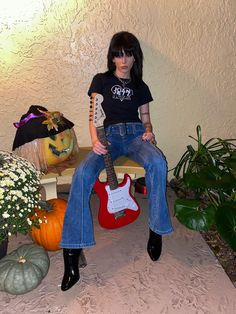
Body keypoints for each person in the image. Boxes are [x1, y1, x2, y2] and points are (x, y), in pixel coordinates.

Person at [60, 31, 173, 291]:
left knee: (157, 163)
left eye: (129, 54)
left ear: (135, 57)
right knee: (82, 174)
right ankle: (72, 254)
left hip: (134, 135)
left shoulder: (141, 86)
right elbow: (93, 115)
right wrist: (96, 140)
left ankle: (156, 229)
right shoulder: (100, 80)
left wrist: (149, 131)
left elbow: (146, 117)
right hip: (107, 136)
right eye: (118, 54)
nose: (124, 59)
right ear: (112, 57)